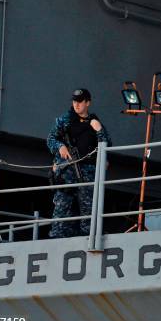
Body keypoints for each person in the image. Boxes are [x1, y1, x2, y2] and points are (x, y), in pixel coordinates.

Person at [47, 89, 112, 238]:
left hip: (87, 172)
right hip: (67, 171)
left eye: (80, 101)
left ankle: (87, 238)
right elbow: (51, 139)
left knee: (88, 208)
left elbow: (105, 145)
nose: (76, 105)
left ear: (87, 103)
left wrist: (99, 130)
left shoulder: (95, 123)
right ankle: (57, 237)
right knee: (62, 206)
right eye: (74, 101)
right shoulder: (65, 120)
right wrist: (60, 146)